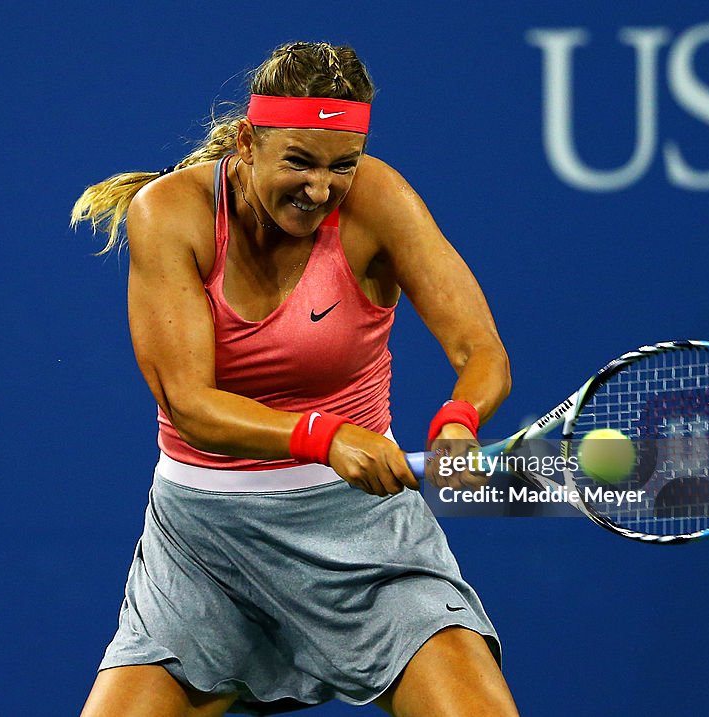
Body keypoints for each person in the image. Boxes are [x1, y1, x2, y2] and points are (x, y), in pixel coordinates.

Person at [71, 41, 516, 717]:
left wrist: (458, 420)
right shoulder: (170, 213)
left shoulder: (381, 200)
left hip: (364, 537)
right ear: (248, 142)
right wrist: (326, 437)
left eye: (344, 165)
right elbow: (190, 405)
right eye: (301, 161)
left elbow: (481, 351)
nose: (321, 188)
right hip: (205, 548)